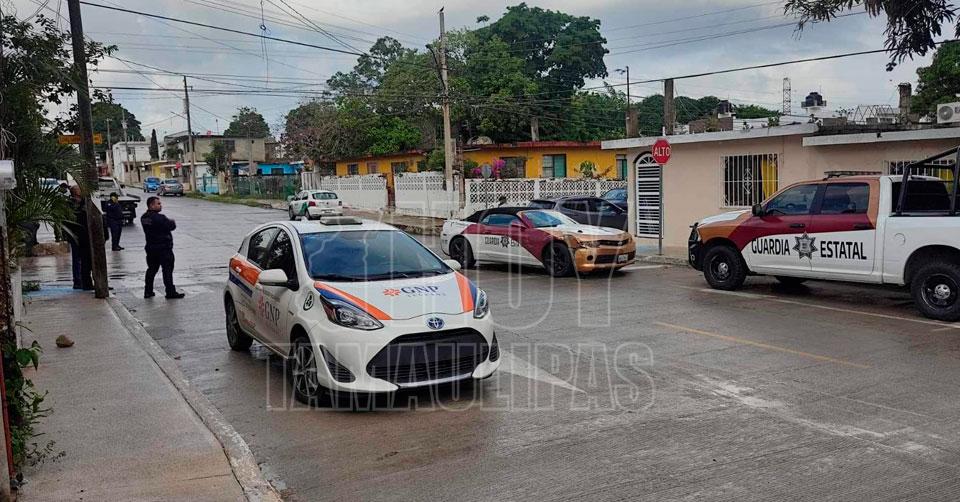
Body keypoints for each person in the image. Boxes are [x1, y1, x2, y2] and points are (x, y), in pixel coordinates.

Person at [141, 196, 184, 299]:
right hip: (163, 248)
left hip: (151, 248)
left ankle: (148, 291)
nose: (161, 205)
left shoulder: (144, 217)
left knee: (151, 269)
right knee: (167, 270)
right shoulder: (160, 218)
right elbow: (171, 225)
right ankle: (170, 292)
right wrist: (171, 221)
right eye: (158, 204)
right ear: (151, 205)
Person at [65, 186, 93, 290]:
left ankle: (84, 280)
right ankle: (78, 281)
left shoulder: (83, 202)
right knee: (78, 259)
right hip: (76, 235)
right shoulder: (71, 204)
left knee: (85, 259)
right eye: (79, 190)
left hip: (83, 235)